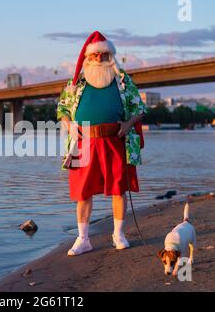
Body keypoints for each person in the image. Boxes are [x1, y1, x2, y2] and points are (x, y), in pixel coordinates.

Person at [57, 31, 147, 256]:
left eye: (104, 55)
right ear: (88, 57)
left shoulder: (122, 80)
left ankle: (118, 235)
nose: (99, 59)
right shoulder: (76, 81)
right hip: (82, 142)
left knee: (118, 189)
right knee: (83, 192)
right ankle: (83, 239)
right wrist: (69, 126)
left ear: (111, 56)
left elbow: (139, 108)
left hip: (114, 140)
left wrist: (128, 125)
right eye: (95, 55)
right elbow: (62, 109)